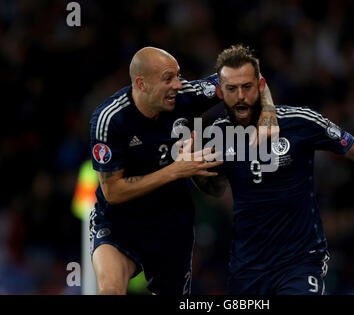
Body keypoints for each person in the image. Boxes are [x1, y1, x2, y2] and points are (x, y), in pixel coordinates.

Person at [193, 44, 354, 295]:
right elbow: (213, 188)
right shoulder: (216, 135)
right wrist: (194, 169)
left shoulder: (300, 121)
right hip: (247, 268)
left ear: (261, 86)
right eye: (232, 89)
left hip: (299, 263)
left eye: (247, 87)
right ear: (221, 93)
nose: (241, 96)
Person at [89, 46, 278, 295]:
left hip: (171, 222)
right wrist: (175, 170)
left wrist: (268, 116)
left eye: (178, 75)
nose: (179, 85)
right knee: (110, 291)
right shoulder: (110, 119)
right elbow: (113, 191)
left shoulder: (186, 96)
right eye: (168, 78)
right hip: (120, 222)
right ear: (141, 84)